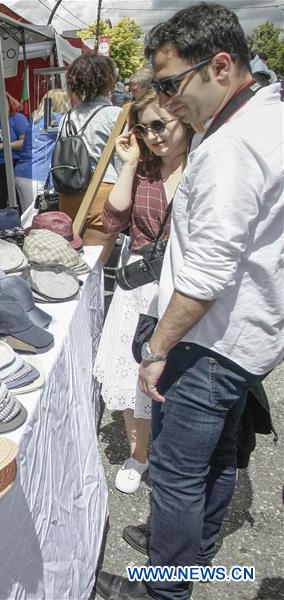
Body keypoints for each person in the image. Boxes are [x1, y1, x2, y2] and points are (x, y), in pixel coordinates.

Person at [97, 4, 283, 600]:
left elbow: (205, 273)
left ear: (221, 66)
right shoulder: (265, 117)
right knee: (222, 454)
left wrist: (156, 347)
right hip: (247, 332)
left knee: (176, 474)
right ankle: (197, 558)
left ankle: (164, 589)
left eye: (172, 83)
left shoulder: (232, 146)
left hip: (214, 340)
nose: (167, 100)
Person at [94, 89, 194, 495]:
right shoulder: (145, 171)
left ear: (183, 119)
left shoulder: (205, 165)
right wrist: (130, 164)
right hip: (139, 288)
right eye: (145, 127)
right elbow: (112, 218)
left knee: (177, 379)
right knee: (130, 374)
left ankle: (174, 455)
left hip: (185, 292)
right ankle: (139, 454)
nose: (154, 135)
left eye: (160, 124)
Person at [57, 54, 123, 265]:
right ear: (107, 80)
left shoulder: (67, 117)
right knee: (94, 266)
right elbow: (123, 162)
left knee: (76, 261)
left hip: (68, 193)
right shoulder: (116, 115)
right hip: (102, 193)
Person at [14, 89, 70, 212]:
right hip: (37, 174)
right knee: (37, 215)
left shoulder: (35, 119)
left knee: (28, 215)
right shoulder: (56, 118)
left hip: (22, 172)